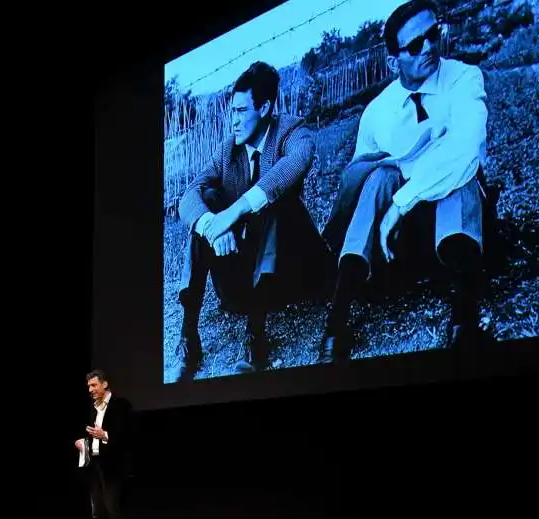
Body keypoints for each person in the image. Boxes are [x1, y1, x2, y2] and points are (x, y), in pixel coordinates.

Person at [319, 0, 493, 363]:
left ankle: (464, 319)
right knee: (378, 175)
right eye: (414, 45)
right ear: (392, 59)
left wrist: (402, 203)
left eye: (432, 35)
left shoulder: (462, 78)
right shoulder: (377, 113)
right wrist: (389, 193)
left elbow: (466, 151)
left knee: (458, 172)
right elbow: (357, 181)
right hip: (402, 242)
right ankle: (337, 320)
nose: (429, 47)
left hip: (458, 227)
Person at [170, 61, 329, 381]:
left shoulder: (292, 131)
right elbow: (189, 194)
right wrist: (212, 228)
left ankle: (256, 337)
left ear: (266, 107)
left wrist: (237, 211)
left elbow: (297, 162)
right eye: (231, 111)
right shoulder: (227, 150)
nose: (233, 121)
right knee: (206, 204)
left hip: (287, 275)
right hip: (239, 279)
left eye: (241, 111)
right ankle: (189, 339)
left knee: (274, 200)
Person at [76, 369, 137, 519]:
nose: (91, 390)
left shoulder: (121, 406)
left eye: (94, 385)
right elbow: (95, 439)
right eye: (89, 387)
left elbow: (128, 437)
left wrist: (105, 435)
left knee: (114, 515)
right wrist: (83, 443)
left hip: (114, 469)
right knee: (98, 516)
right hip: (96, 468)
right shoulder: (94, 409)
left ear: (104, 384)